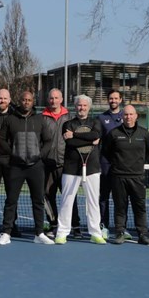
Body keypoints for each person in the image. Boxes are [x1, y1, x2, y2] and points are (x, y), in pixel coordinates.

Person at [0, 91, 54, 245]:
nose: (26, 102)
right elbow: (1, 139)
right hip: (16, 167)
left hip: (36, 167)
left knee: (38, 200)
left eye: (29, 100)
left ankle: (39, 233)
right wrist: (12, 153)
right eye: (24, 100)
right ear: (19, 101)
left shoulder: (40, 119)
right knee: (11, 200)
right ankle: (6, 233)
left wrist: (40, 155)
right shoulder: (10, 119)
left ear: (32, 101)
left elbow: (48, 140)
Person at [101, 105, 149, 246]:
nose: (128, 117)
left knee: (140, 207)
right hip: (118, 176)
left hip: (137, 177)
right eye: (126, 115)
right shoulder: (113, 134)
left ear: (136, 116)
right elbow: (107, 152)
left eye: (131, 114)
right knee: (120, 207)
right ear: (122, 117)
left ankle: (142, 234)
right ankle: (119, 233)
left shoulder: (144, 134)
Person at [57, 94, 106, 245]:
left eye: (84, 105)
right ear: (75, 106)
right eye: (79, 105)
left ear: (89, 107)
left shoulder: (95, 122)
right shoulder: (68, 124)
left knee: (93, 201)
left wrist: (77, 135)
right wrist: (90, 140)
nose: (82, 108)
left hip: (92, 168)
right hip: (71, 168)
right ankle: (62, 232)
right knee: (67, 201)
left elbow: (96, 134)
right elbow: (70, 143)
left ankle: (95, 233)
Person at [42, 88, 82, 238]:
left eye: (56, 98)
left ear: (62, 99)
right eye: (51, 98)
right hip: (48, 165)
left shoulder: (70, 117)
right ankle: (53, 225)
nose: (54, 101)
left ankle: (75, 226)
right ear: (48, 99)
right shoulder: (42, 118)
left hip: (67, 164)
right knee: (47, 195)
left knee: (70, 196)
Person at [0, 88, 20, 236]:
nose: (2, 101)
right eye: (0, 98)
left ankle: (11, 224)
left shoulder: (16, 115)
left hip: (11, 160)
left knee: (11, 194)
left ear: (10, 99)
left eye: (5, 98)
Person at [97, 89, 125, 239]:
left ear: (120, 100)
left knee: (120, 197)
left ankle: (121, 227)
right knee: (104, 197)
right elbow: (97, 141)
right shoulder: (101, 118)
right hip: (105, 163)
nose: (113, 100)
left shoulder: (126, 116)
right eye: (111, 98)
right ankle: (104, 225)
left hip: (122, 164)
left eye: (116, 98)